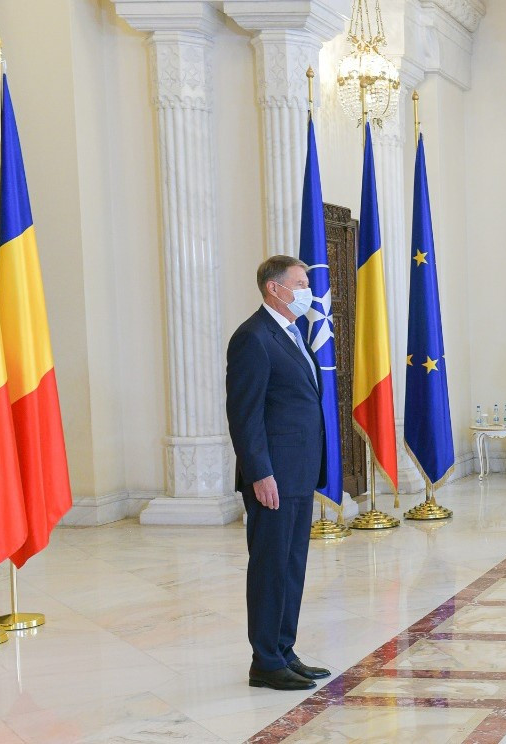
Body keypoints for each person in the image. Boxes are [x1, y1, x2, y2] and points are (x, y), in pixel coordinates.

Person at [226, 255, 331, 691]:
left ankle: (284, 651)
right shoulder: (253, 337)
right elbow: (244, 414)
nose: (308, 291)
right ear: (275, 288)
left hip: (299, 471)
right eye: (301, 283)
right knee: (270, 567)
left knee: (291, 566)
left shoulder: (291, 333)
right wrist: (260, 473)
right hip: (273, 477)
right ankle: (265, 661)